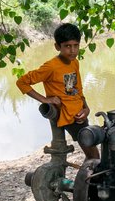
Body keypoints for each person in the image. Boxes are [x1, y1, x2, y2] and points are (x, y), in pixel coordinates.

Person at [16, 23, 101, 160]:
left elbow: (77, 89)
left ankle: (89, 180)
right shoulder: (51, 67)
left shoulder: (74, 62)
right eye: (67, 46)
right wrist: (45, 100)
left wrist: (86, 108)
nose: (72, 50)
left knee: (93, 153)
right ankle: (88, 180)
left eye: (76, 45)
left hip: (80, 114)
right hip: (68, 116)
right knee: (94, 155)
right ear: (57, 47)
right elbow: (22, 82)